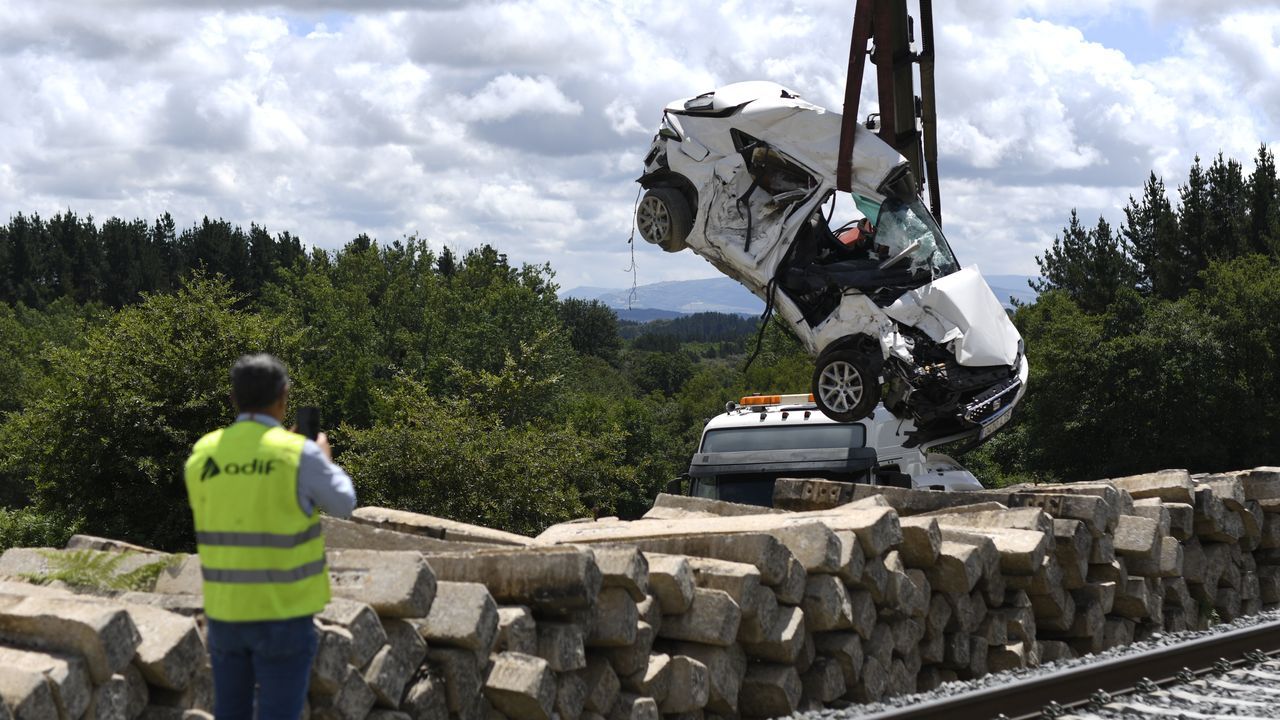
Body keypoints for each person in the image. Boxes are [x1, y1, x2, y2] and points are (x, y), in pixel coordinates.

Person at [183, 353, 356, 720]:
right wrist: (321, 458)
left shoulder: (203, 453)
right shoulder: (299, 454)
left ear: (233, 399)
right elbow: (343, 503)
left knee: (230, 713)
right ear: (284, 396)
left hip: (226, 612)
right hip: (283, 613)